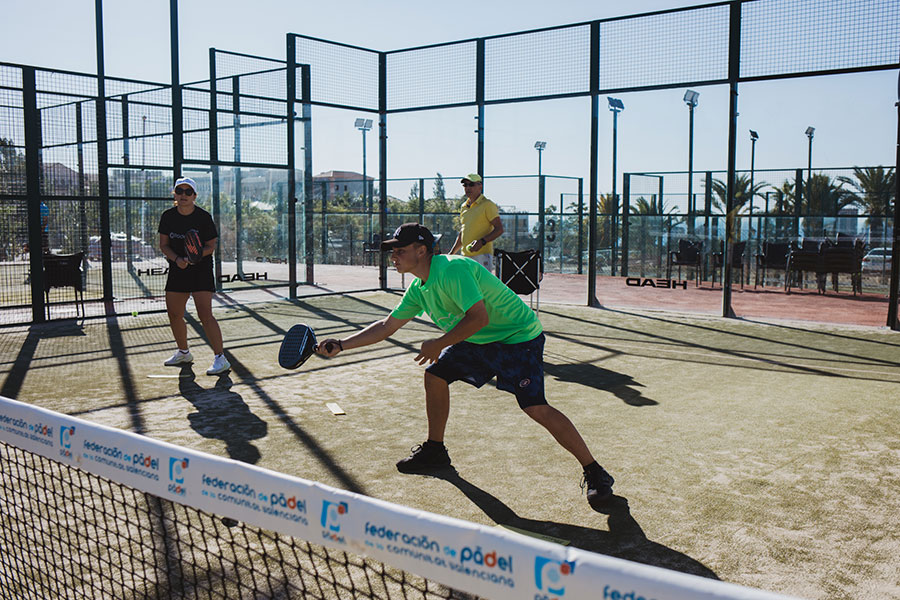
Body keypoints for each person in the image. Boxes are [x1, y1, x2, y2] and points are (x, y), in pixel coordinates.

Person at [316, 223, 614, 511]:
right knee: (435, 376)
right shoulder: (419, 287)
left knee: (534, 407)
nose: (393, 256)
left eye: (399, 250)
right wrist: (342, 344)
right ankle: (435, 450)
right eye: (392, 251)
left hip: (518, 337)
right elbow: (386, 326)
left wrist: (439, 343)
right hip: (479, 339)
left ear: (421, 251)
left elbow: (478, 318)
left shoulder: (452, 270)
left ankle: (595, 471)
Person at [157, 177, 231, 376]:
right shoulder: (168, 217)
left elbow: (211, 246)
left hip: (200, 270)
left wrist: (192, 257)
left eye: (188, 192)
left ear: (194, 196)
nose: (183, 195)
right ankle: (183, 353)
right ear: (175, 194)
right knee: (174, 314)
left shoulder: (203, 217)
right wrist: (177, 259)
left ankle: (220, 359)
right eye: (179, 191)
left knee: (205, 315)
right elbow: (163, 245)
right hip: (177, 269)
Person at [448, 174, 504, 272]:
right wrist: (451, 253)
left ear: (480, 186)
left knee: (481, 287)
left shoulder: (487, 205)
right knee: (465, 287)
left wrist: (482, 242)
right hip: (465, 256)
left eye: (471, 184)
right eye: (465, 185)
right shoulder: (464, 207)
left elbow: (499, 229)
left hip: (482, 256)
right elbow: (463, 233)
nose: (468, 188)